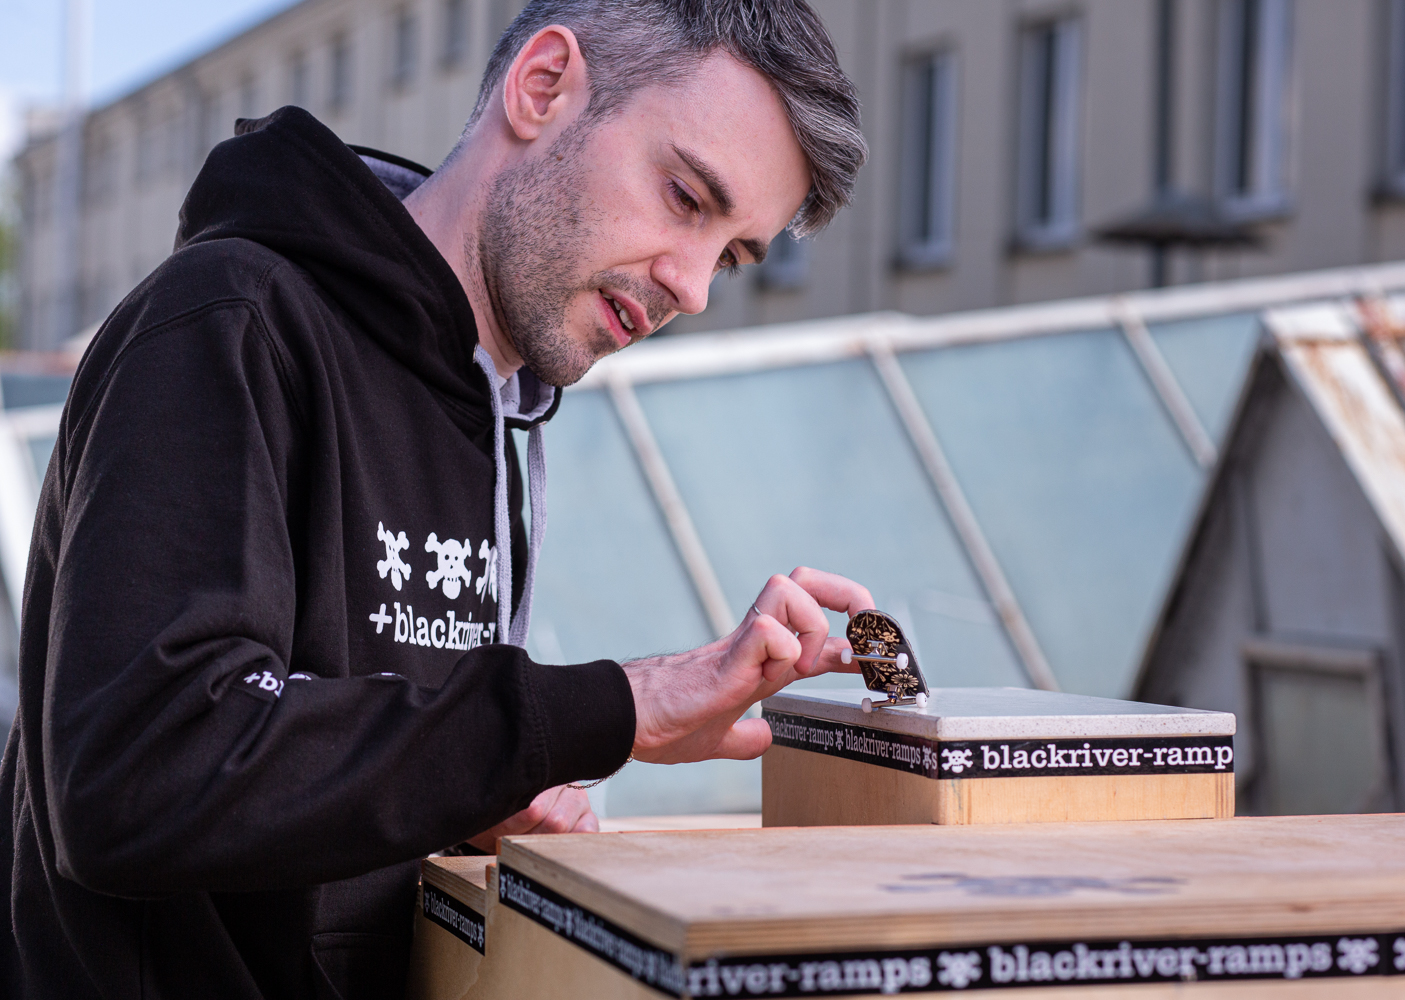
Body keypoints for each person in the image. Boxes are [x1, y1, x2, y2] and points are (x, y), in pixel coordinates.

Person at [0, 1, 869, 997]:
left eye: (732, 255)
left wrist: (472, 799)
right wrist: (614, 705)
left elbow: (332, 753)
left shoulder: (505, 409)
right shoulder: (226, 321)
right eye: (683, 197)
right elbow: (144, 772)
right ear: (543, 87)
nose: (695, 286)